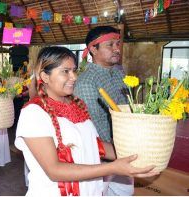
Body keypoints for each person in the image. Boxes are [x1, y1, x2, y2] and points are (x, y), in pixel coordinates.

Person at [14, 46, 158, 196]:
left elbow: (95, 145)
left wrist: (136, 154)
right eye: (65, 71)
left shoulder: (77, 104)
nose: (74, 77)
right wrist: (113, 168)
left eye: (74, 70)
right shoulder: (33, 113)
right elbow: (54, 170)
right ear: (44, 76)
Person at [74, 26, 133, 195]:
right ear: (93, 49)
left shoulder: (119, 72)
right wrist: (117, 153)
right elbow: (93, 126)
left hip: (124, 149)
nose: (117, 49)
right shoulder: (87, 81)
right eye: (110, 45)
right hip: (103, 158)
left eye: (117, 43)